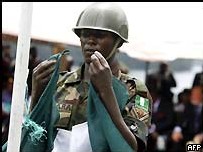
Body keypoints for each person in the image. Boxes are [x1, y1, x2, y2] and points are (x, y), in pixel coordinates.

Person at [28, 2, 152, 152]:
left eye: (100, 35)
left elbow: (132, 148)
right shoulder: (60, 84)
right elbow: (34, 138)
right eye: (85, 34)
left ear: (118, 42)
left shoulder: (133, 90)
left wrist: (106, 91)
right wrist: (37, 97)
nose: (90, 41)